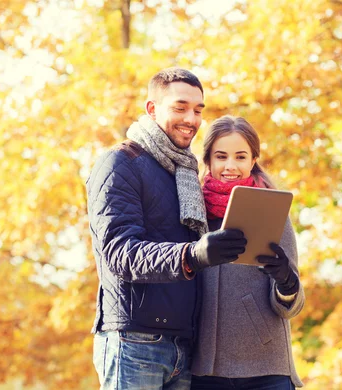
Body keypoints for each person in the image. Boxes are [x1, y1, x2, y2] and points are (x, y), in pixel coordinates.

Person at [86, 69, 247, 390]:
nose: (192, 118)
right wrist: (193, 254)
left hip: (184, 346)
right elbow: (121, 254)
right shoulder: (120, 163)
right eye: (180, 107)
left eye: (199, 110)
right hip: (133, 342)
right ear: (152, 108)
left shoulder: (185, 172)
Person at [191, 115, 305, 389]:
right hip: (204, 370)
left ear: (253, 161)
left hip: (266, 367)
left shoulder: (273, 210)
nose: (230, 166)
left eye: (240, 157)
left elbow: (293, 305)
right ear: (208, 161)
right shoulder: (192, 212)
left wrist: (286, 280)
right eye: (221, 156)